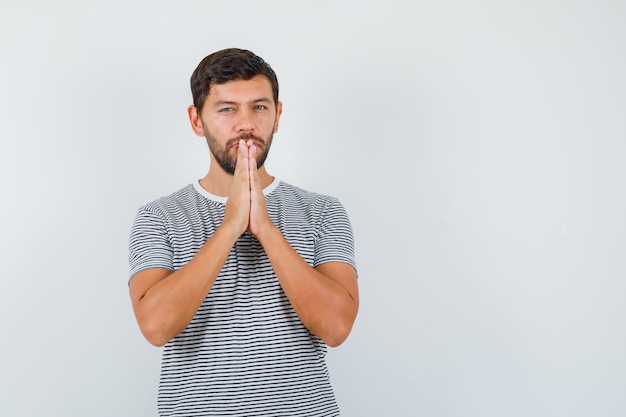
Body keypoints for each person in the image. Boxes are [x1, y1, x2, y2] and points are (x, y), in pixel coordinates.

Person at [128, 48, 359, 417]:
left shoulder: (323, 211)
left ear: (277, 115)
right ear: (197, 120)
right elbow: (155, 327)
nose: (246, 123)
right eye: (227, 109)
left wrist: (265, 228)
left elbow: (336, 327)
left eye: (260, 107)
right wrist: (231, 225)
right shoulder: (159, 216)